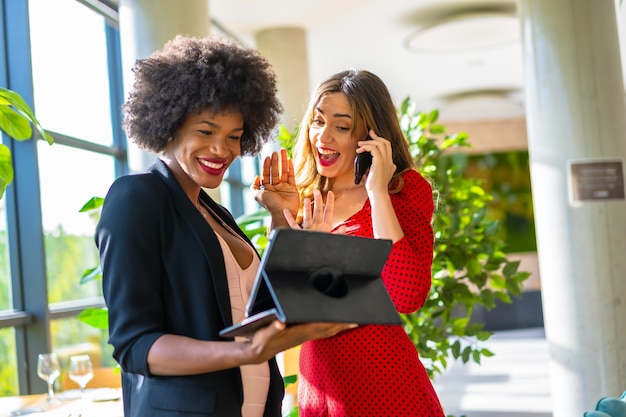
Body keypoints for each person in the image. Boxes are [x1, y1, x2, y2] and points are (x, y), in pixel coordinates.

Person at [95, 35, 353, 417]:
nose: (222, 150)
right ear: (169, 123)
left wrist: (282, 218)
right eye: (205, 131)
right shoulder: (137, 198)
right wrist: (247, 351)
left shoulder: (216, 214)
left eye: (234, 137)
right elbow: (136, 346)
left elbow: (259, 313)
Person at [253, 69, 446, 417]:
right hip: (321, 384)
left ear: (371, 136)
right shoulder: (304, 194)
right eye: (317, 121)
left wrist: (376, 192)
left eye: (341, 126)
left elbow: (406, 295)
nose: (322, 137)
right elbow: (281, 302)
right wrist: (281, 216)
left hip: (384, 385)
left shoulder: (403, 190)